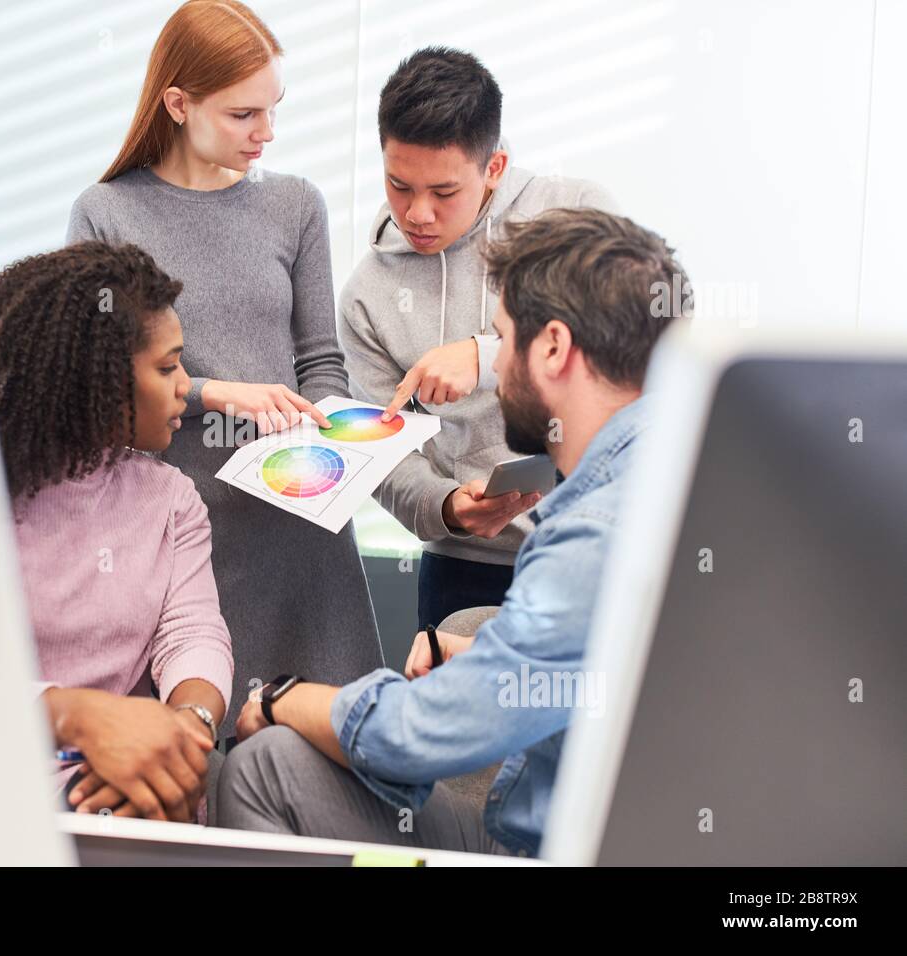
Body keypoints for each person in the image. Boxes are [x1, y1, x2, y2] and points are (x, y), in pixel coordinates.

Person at [217, 208, 691, 857]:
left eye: (503, 342)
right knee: (469, 628)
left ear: (552, 347)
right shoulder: (686, 480)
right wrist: (493, 661)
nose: (495, 377)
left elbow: (417, 737)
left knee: (265, 760)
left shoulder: (592, 535)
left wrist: (283, 699)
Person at [67, 0, 382, 744]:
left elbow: (319, 361)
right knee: (199, 773)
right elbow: (101, 383)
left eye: (274, 110)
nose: (266, 134)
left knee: (337, 778)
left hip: (302, 531)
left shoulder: (295, 205)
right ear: (178, 103)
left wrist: (343, 430)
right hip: (182, 536)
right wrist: (215, 393)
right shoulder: (106, 214)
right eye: (244, 115)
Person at [337, 46, 619, 629]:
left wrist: (488, 355)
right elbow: (377, 449)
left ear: (494, 167)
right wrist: (446, 509)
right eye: (398, 184)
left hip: (592, 552)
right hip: (460, 562)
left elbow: (634, 341)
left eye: (443, 192)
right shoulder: (367, 292)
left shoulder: (573, 214)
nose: (417, 214)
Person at [0, 240, 233, 823]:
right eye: (166, 368)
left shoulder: (171, 500)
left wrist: (187, 729)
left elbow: (192, 634)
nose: (185, 386)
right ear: (100, 380)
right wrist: (76, 718)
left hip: (114, 778)